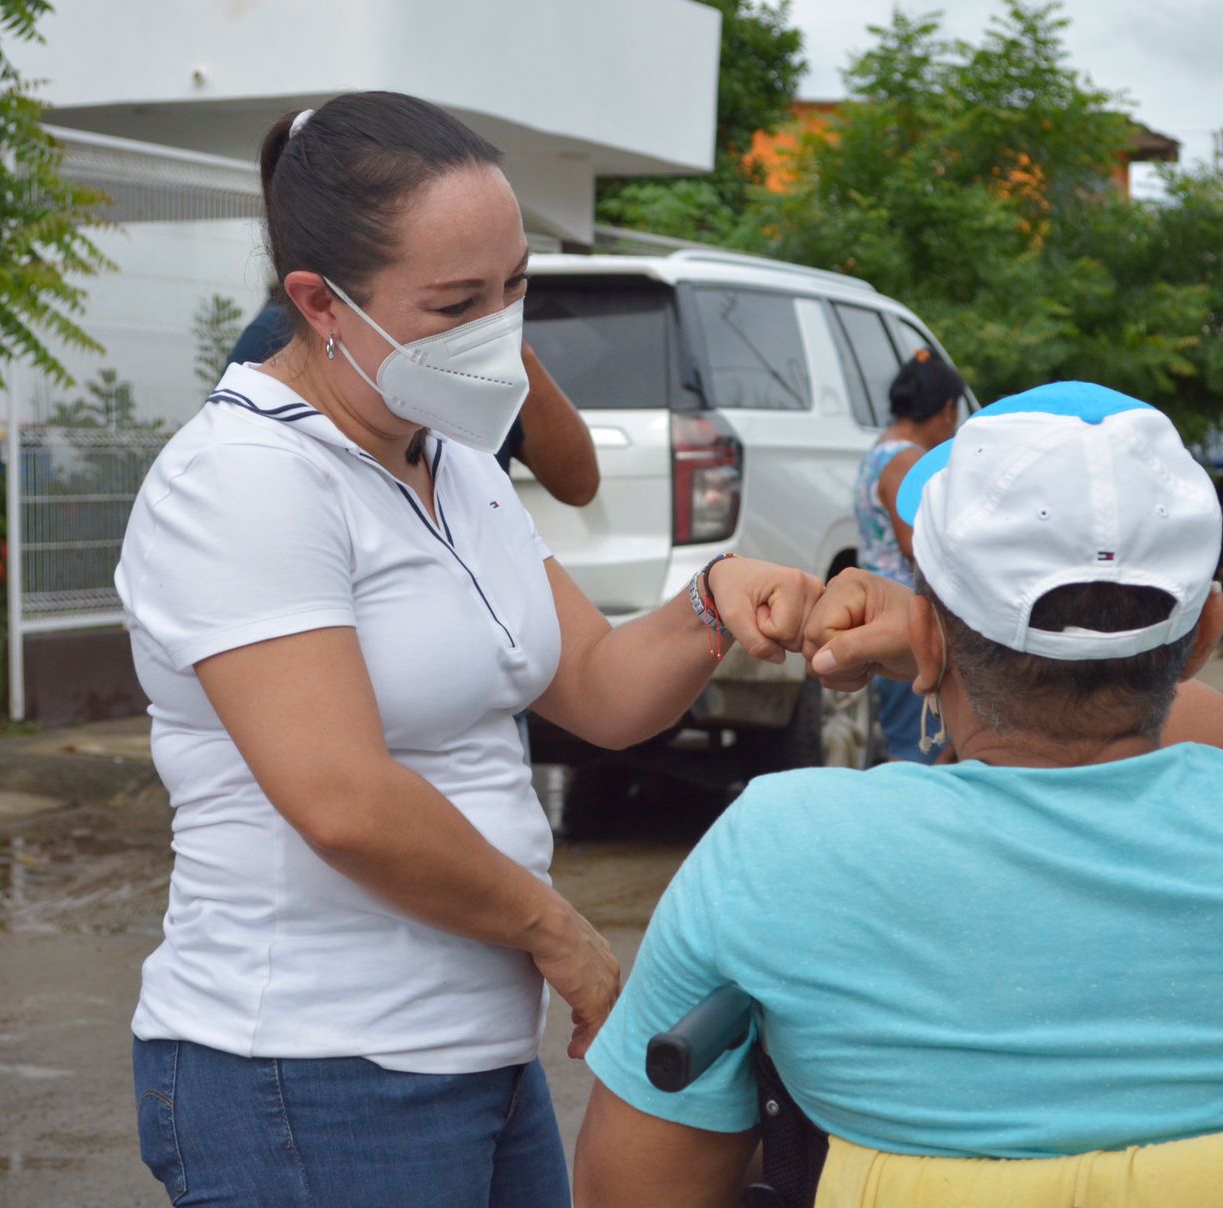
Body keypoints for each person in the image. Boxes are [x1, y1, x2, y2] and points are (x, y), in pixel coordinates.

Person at [116, 91, 822, 1208]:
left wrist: (713, 605)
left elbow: (591, 683)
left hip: (475, 1057)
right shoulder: (246, 480)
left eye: (515, 285)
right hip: (308, 1069)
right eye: (456, 302)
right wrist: (563, 936)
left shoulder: (453, 460)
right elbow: (342, 796)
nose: (500, 326)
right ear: (319, 303)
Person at [574, 383, 1223, 1206]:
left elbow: (628, 1192)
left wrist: (937, 653)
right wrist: (939, 643)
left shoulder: (780, 850)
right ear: (1202, 636)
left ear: (928, 639)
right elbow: (1212, 732)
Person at [227, 299, 600, 507]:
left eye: (514, 282)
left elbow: (578, 485)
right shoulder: (283, 337)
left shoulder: (490, 356)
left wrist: (508, 344)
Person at [853, 349, 963, 763]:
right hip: (905, 615)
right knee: (918, 745)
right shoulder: (905, 462)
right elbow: (915, 543)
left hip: (880, 608)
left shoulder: (879, 451)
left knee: (913, 738)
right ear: (947, 410)